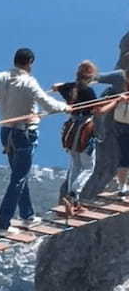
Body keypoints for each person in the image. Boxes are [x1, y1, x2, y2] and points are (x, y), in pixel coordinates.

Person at [0, 47, 69, 232]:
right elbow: (49, 105)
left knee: (19, 175)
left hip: (6, 132)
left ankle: (27, 216)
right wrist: (66, 107)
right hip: (24, 134)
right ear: (30, 63)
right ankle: (2, 223)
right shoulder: (29, 82)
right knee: (18, 178)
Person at [52, 60, 103, 215]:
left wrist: (60, 85)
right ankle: (74, 194)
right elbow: (98, 110)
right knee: (88, 167)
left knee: (75, 165)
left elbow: (56, 86)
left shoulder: (69, 87)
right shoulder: (88, 91)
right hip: (84, 130)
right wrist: (115, 102)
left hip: (72, 129)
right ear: (91, 76)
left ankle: (72, 199)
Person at [96, 69, 129, 194]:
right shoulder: (122, 83)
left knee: (124, 157)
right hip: (121, 125)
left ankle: (122, 186)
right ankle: (122, 186)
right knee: (124, 157)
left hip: (121, 124)